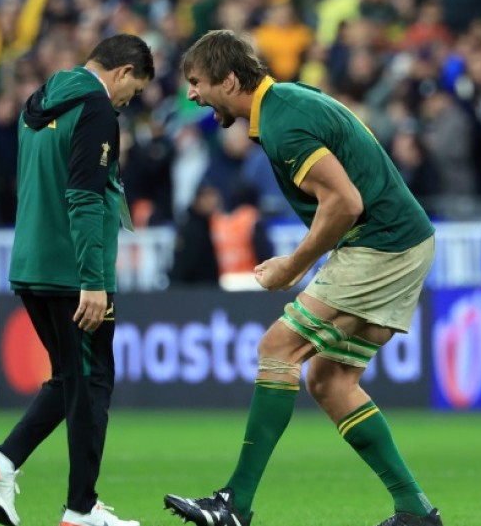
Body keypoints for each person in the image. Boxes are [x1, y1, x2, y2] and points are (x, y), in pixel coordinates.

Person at [162, 30, 441, 526]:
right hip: (400, 239)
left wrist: (291, 267)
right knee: (331, 380)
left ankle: (235, 505)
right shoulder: (287, 101)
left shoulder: (282, 123)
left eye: (197, 82)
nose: (191, 94)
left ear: (228, 79)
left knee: (278, 349)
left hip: (382, 243)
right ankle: (415, 511)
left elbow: (345, 203)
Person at [0, 34, 154, 526]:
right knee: (92, 383)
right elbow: (86, 196)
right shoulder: (95, 109)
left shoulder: (40, 99)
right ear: (124, 72)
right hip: (74, 272)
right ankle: (81, 510)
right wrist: (94, 279)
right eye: (130, 93)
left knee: (72, 378)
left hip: (31, 265)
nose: (125, 103)